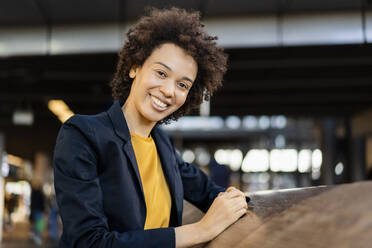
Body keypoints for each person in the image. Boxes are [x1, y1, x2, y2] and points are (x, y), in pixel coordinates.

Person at [53, 7, 249, 248]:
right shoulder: (82, 135)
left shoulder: (162, 146)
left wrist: (240, 200)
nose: (169, 90)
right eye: (161, 73)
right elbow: (89, 242)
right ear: (135, 67)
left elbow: (210, 192)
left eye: (182, 84)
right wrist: (201, 231)